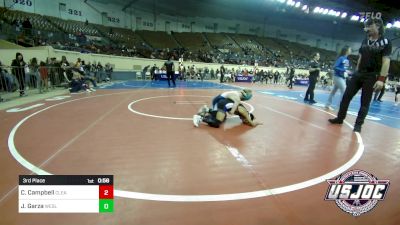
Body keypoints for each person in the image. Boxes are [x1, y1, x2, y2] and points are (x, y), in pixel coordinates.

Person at [329, 18, 392, 132]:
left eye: (369, 26)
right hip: (359, 73)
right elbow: (361, 58)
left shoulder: (386, 42)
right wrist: (356, 72)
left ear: (377, 26)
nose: (366, 28)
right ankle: (340, 118)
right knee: (346, 96)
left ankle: (358, 125)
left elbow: (386, 61)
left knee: (365, 101)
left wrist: (381, 79)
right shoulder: (365, 41)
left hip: (372, 75)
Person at [325, 46, 352, 110]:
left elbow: (345, 69)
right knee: (344, 91)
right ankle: (340, 107)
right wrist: (344, 71)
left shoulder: (347, 60)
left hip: (342, 78)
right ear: (346, 50)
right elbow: (335, 67)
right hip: (337, 77)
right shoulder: (341, 58)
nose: (351, 50)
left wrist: (347, 74)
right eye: (350, 49)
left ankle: (327, 104)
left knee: (333, 91)